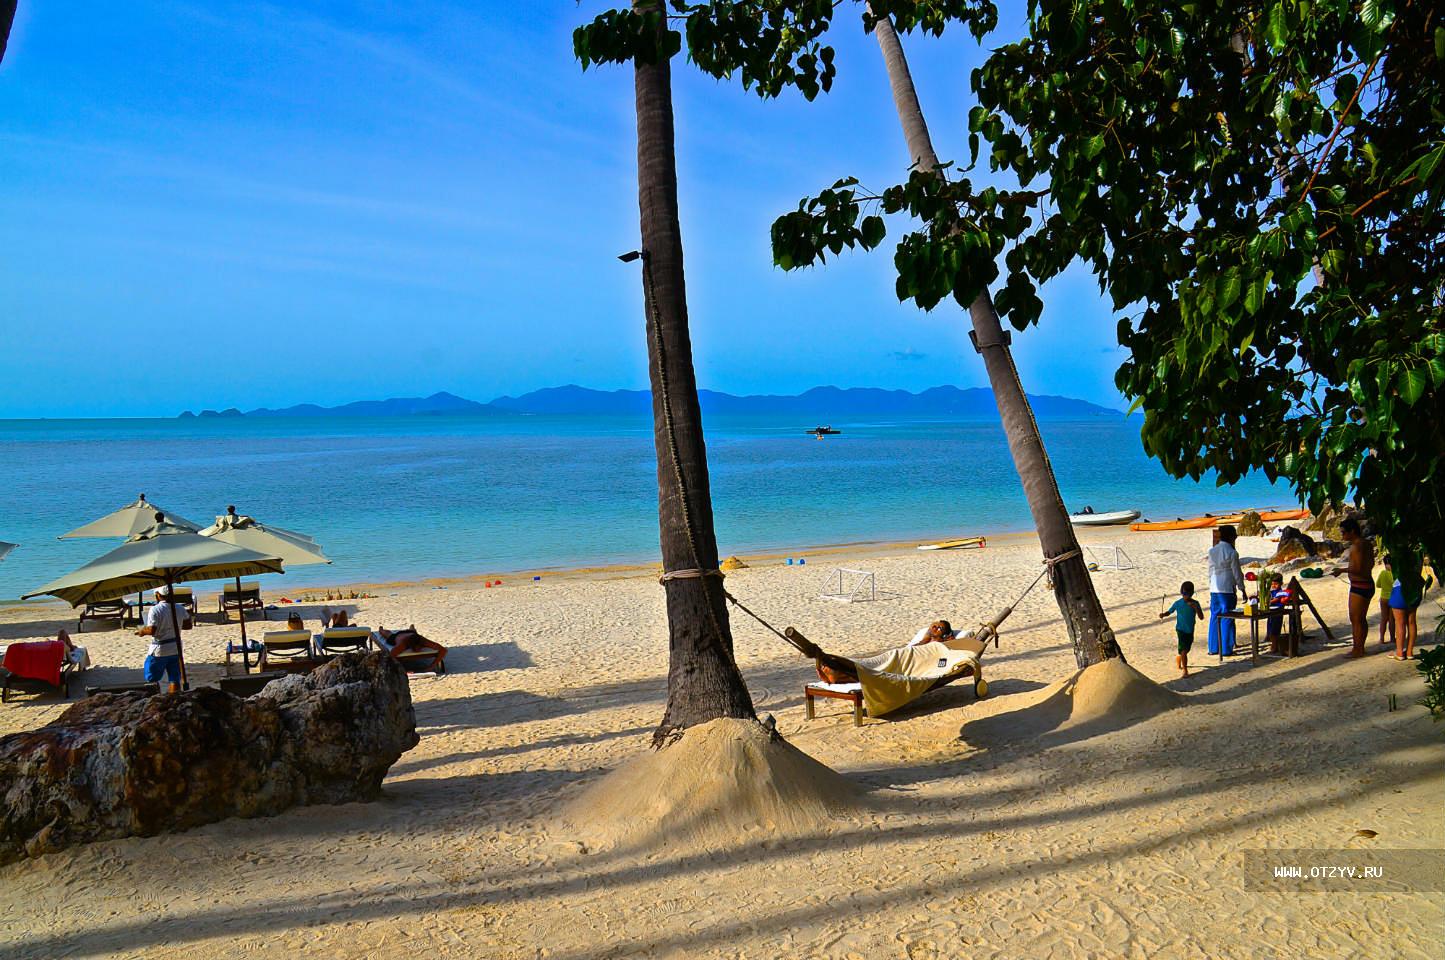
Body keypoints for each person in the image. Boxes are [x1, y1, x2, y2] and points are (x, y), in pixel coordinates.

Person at [135, 585, 191, 690]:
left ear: (158, 595)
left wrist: (142, 631)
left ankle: (155, 698)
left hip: (160, 649)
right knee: (174, 678)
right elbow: (188, 625)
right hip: (176, 647)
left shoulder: (155, 609)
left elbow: (152, 630)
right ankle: (175, 699)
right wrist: (174, 625)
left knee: (151, 678)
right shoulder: (179, 608)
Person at [1333, 517, 1375, 657]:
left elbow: (1357, 568)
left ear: (1352, 531)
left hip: (1359, 586)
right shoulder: (1366, 544)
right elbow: (1369, 564)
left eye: (1344, 532)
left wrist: (1341, 570)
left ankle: (1358, 649)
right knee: (1361, 619)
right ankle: (1360, 648)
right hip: (1367, 583)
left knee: (1356, 619)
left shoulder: (1356, 546)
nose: (1342, 535)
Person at [1206, 525, 1248, 656]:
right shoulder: (1232, 553)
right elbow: (1237, 573)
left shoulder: (1212, 551)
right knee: (1227, 617)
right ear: (1231, 537)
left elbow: (1210, 571)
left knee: (1214, 616)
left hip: (1214, 588)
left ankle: (1213, 648)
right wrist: (1242, 588)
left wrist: (1211, 584)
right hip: (1227, 588)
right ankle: (1226, 649)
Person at [1388, 555, 1433, 662]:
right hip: (1415, 587)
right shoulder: (1418, 553)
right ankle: (1409, 652)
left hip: (1400, 587)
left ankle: (1399, 652)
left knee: (1400, 623)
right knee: (1411, 622)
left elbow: (1392, 569)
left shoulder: (1400, 552)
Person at [1159, 581, 1204, 676]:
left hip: (1190, 630)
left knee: (1186, 649)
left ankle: (1179, 659)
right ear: (1181, 592)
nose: (1185, 596)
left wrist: (1196, 608)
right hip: (1180, 630)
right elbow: (1170, 611)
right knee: (1184, 649)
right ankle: (1185, 670)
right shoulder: (1178, 603)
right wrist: (1163, 614)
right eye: (1183, 594)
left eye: (1187, 594)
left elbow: (1201, 617)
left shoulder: (1196, 603)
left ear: (1192, 593)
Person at [375, 626, 447, 673]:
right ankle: (381, 629)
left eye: (419, 647)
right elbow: (391, 656)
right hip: (396, 637)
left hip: (411, 634)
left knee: (413, 631)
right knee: (387, 634)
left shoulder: (423, 640)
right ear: (409, 646)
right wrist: (403, 670)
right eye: (415, 648)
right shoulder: (402, 645)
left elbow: (443, 650)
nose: (418, 650)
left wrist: (431, 666)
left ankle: (411, 627)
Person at [1264, 572, 1292, 654]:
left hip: (1277, 613)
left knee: (1274, 632)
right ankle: (1274, 645)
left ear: (1281, 584)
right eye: (1272, 584)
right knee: (1270, 631)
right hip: (1271, 614)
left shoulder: (1280, 592)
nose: (1274, 586)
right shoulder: (1272, 592)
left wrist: (1267, 601)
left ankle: (1274, 646)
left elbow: (1275, 600)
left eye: (1276, 584)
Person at [1375, 555, 1396, 647]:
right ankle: (1392, 638)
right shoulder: (1394, 574)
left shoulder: (1383, 573)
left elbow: (1378, 585)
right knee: (1391, 619)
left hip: (1383, 598)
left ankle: (1382, 639)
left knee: (1383, 618)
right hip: (1392, 597)